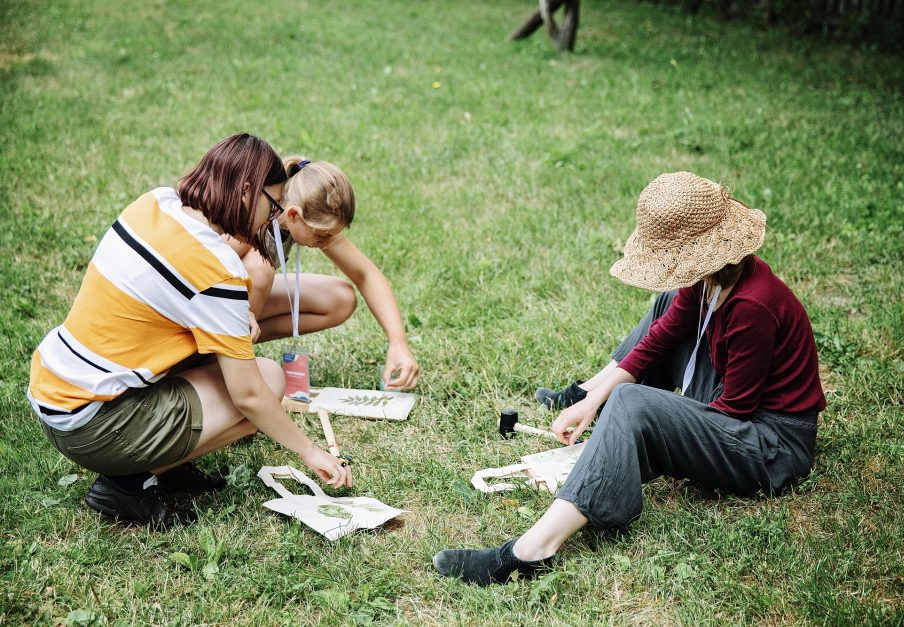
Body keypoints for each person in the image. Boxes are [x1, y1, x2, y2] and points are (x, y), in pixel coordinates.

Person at [432, 171, 827, 585]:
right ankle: (604, 421)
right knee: (662, 320)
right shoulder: (709, 279)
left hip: (770, 446)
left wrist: (659, 426)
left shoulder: (752, 306)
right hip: (737, 408)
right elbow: (659, 340)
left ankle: (531, 551)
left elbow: (735, 410)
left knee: (632, 402)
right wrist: (591, 400)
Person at [27, 133, 352, 528]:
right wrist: (310, 452)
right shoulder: (216, 269)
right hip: (93, 425)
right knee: (268, 379)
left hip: (56, 396)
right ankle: (129, 484)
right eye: (273, 205)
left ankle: (166, 464)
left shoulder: (153, 203)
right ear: (248, 191)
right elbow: (249, 395)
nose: (272, 218)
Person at [225, 157, 419, 391]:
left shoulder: (299, 213)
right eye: (321, 236)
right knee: (261, 268)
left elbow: (366, 274)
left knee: (340, 298)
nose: (325, 243)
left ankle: (237, 345)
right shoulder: (253, 215)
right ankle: (223, 361)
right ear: (294, 215)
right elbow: (198, 269)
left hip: (242, 307)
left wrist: (398, 343)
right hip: (207, 310)